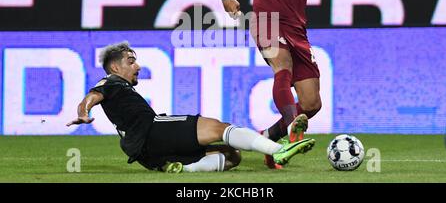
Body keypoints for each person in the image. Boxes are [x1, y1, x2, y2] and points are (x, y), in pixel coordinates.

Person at [215, 0, 385, 169]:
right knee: (282, 64)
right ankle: (293, 133)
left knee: (312, 102)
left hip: (297, 30)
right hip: (265, 21)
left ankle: (268, 141)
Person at [66, 41, 315, 173]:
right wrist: (83, 112)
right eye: (131, 62)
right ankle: (277, 150)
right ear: (115, 68)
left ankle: (181, 169)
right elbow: (91, 97)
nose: (137, 66)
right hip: (153, 132)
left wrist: (85, 111)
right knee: (219, 128)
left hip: (146, 155)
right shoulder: (110, 81)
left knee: (231, 155)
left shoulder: (119, 87)